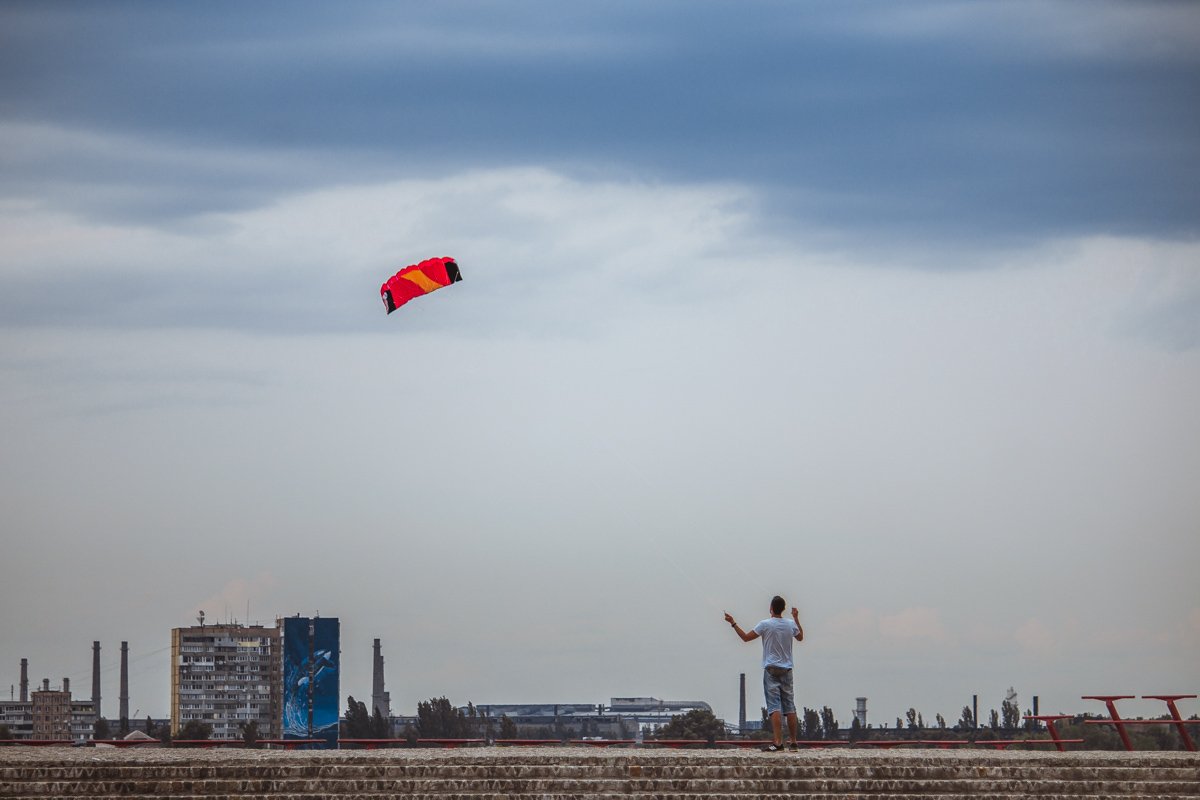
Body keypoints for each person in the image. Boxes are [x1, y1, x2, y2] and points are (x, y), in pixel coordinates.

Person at [725, 596, 804, 752]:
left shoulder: (765, 624)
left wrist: (733, 623)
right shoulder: (790, 625)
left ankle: (778, 742)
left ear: (771, 608)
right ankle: (794, 742)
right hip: (787, 669)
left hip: (771, 669)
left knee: (774, 707)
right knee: (790, 707)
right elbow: (800, 637)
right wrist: (795, 618)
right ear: (783, 608)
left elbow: (746, 638)